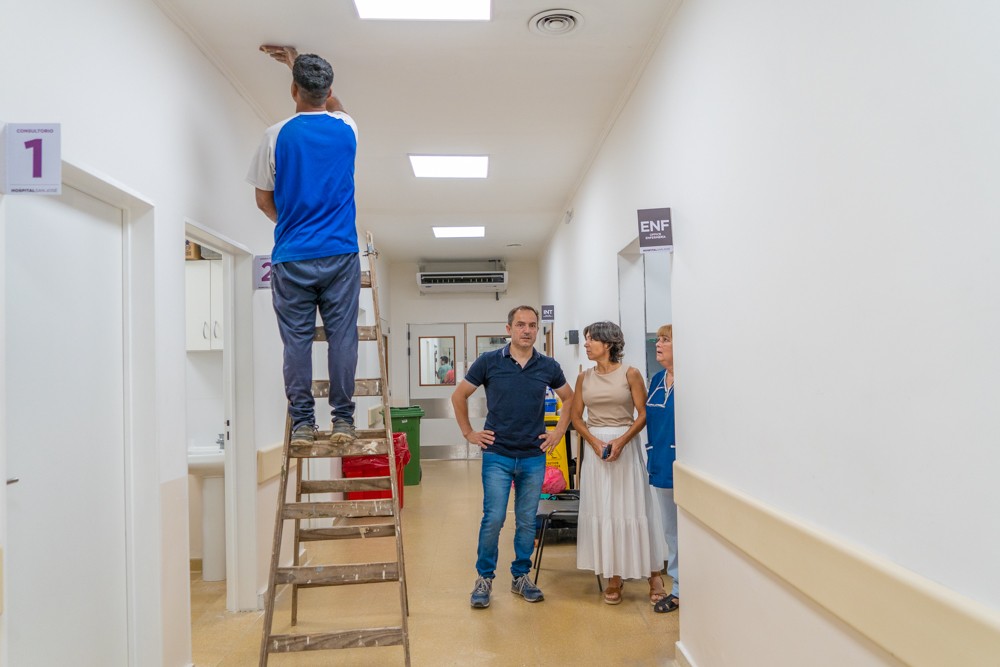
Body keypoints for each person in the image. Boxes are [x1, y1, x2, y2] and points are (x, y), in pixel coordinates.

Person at [246, 47, 360, 446]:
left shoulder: (275, 135)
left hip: (292, 256)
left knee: (296, 342)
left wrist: (294, 224)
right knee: (342, 337)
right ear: (328, 92)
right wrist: (296, 63)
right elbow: (337, 106)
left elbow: (263, 200)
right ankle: (343, 421)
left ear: (294, 90)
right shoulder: (347, 129)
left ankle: (303, 425)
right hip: (341, 254)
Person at [451, 306, 574, 609]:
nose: (527, 330)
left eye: (532, 325)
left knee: (526, 522)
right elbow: (459, 395)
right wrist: (469, 433)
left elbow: (569, 398)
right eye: (520, 325)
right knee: (493, 518)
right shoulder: (489, 361)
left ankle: (521, 576)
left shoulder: (548, 365)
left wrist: (558, 432)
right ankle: (484, 579)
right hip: (498, 454)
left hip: (533, 455)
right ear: (508, 329)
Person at [571, 321, 668, 606]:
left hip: (625, 445)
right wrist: (594, 442)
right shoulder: (583, 378)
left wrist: (621, 441)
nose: (586, 344)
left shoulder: (631, 373)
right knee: (605, 510)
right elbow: (577, 416)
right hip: (596, 448)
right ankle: (614, 575)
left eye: (591, 340)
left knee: (633, 507)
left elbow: (643, 414)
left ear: (608, 343)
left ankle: (653, 574)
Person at [646, 324, 679, 613]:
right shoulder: (657, 380)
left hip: (683, 466)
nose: (658, 344)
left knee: (690, 532)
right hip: (660, 464)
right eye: (658, 339)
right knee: (671, 531)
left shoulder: (691, 380)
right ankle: (679, 587)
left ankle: (687, 588)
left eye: (665, 340)